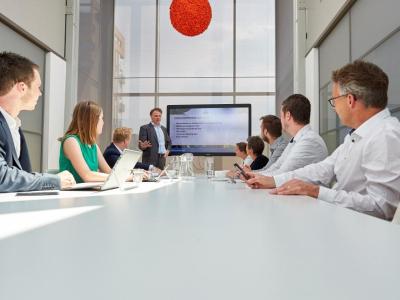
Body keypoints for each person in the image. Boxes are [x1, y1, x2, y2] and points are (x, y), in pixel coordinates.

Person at [246, 60, 400, 220]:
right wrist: (274, 181)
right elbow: (323, 169)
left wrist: (315, 191)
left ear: (349, 100)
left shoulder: (385, 136)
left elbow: (382, 208)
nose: (334, 108)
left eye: (334, 100)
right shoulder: (356, 136)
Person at [0, 51, 74, 192]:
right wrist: (54, 180)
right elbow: (2, 177)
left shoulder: (13, 126)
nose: (40, 93)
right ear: (22, 87)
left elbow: (20, 174)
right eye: (38, 86)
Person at [258, 94, 328, 176]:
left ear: (288, 115)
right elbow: (277, 166)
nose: (280, 120)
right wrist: (254, 175)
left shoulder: (309, 141)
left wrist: (255, 177)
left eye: (281, 116)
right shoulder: (296, 140)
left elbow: (282, 173)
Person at [59, 101, 112, 183]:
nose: (103, 122)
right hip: (73, 194)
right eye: (101, 118)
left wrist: (133, 175)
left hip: (88, 193)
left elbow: (109, 172)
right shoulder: (71, 141)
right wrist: (119, 177)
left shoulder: (93, 145)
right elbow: (87, 176)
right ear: (91, 120)